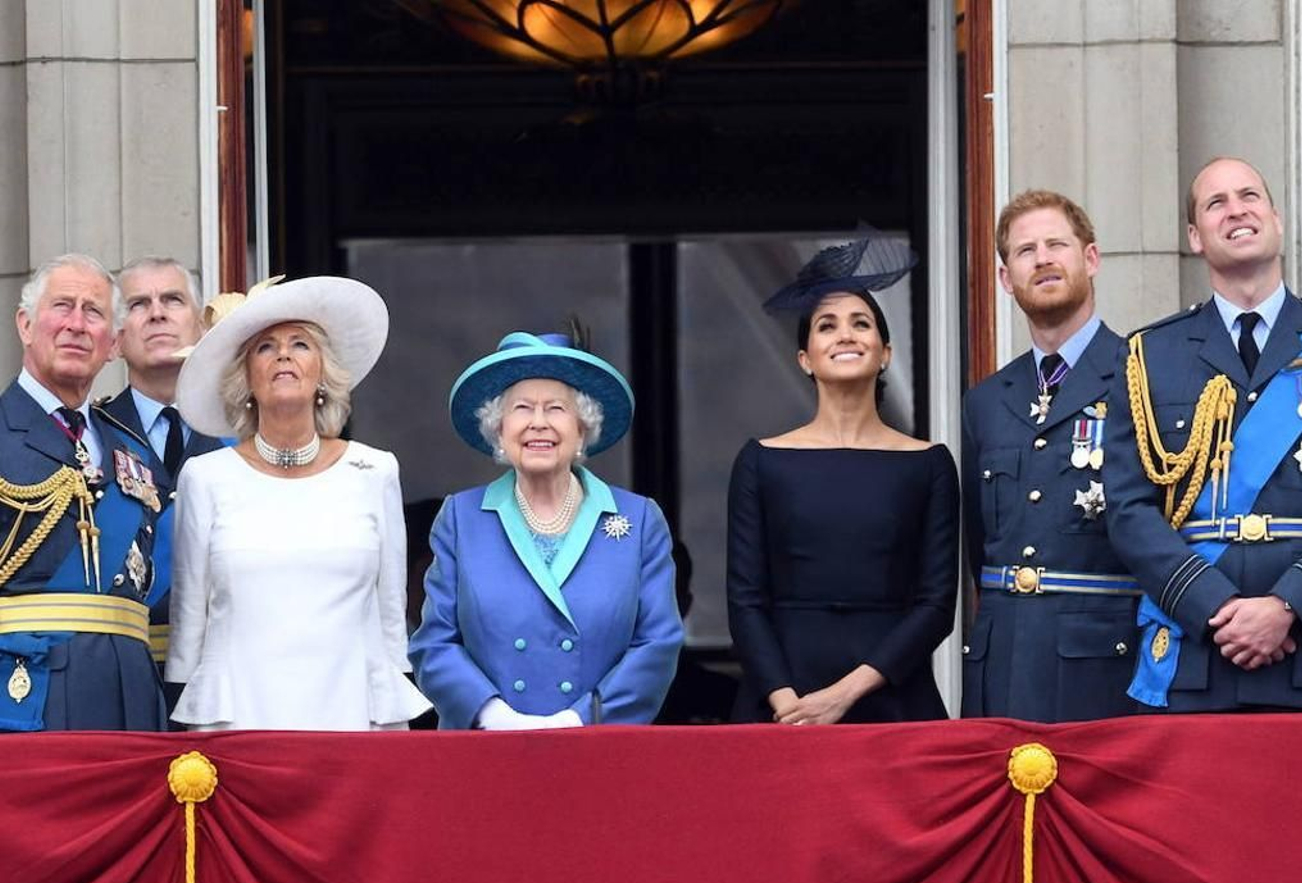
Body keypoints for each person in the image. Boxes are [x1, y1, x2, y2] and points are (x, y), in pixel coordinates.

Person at [1102, 157, 1302, 712]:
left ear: (1277, 219)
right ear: (1195, 236)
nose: (1236, 210)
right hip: (1196, 653)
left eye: (1249, 196)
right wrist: (1213, 607)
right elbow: (1128, 508)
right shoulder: (1149, 355)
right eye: (1216, 203)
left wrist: (1289, 605)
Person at [165, 275, 430, 730]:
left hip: (351, 715)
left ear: (324, 372)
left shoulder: (375, 470)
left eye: (300, 344)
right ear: (245, 379)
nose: (283, 354)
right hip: (238, 721)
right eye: (265, 347)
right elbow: (189, 625)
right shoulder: (205, 477)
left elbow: (391, 624)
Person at [727, 232, 956, 724]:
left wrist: (844, 695)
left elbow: (936, 605)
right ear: (805, 359)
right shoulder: (761, 461)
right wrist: (788, 704)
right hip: (781, 702)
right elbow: (745, 601)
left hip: (892, 697)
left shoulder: (929, 463)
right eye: (827, 326)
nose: (846, 334)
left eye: (861, 323)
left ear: (885, 352)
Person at [410, 330, 682, 729]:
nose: (539, 423)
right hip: (485, 751)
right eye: (522, 408)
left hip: (599, 749)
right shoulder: (461, 518)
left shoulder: (639, 520)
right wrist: (493, 716)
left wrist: (580, 719)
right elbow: (434, 643)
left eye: (556, 409)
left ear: (583, 429)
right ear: (499, 430)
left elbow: (657, 645)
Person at [960, 190, 1141, 721]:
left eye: (1056, 244)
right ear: (1004, 278)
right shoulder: (987, 400)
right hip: (1003, 661)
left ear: (1090, 258)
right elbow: (981, 545)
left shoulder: (1143, 374)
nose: (1042, 259)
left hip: (1104, 662)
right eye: (1025, 250)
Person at [0, 254, 166, 731]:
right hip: (25, 694)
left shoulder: (132, 448)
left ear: (113, 343)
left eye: (92, 312)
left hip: (128, 696)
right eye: (62, 306)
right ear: (26, 324)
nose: (76, 324)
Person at [103, 257, 224, 670]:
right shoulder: (91, 438)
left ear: (202, 328)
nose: (157, 312)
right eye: (138, 304)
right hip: (127, 669)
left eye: (172, 300)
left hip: (223, 669)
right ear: (115, 340)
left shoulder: (243, 436)